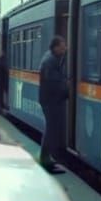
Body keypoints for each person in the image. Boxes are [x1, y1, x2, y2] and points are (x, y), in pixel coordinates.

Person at [38, 35, 69, 174]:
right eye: (63, 46)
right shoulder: (50, 61)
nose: (65, 49)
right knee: (51, 130)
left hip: (50, 100)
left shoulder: (51, 58)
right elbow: (54, 83)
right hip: (51, 101)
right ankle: (45, 160)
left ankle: (47, 158)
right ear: (56, 47)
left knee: (51, 129)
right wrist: (66, 91)